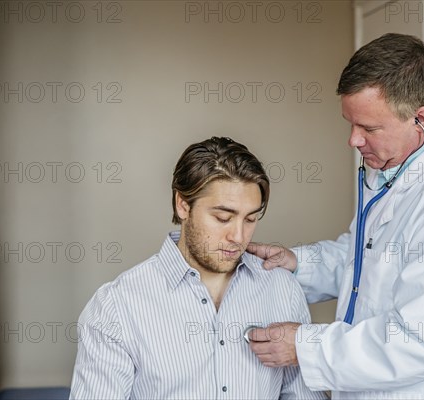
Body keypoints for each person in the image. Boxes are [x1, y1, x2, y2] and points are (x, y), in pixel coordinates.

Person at [247, 33, 424, 399]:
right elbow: (374, 256)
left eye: (369, 128)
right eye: (351, 124)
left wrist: (305, 345)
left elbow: (421, 340)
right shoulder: (397, 168)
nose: (354, 141)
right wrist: (300, 263)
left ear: (419, 119)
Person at [69, 137, 326, 399]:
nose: (238, 236)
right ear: (183, 205)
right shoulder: (116, 307)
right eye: (222, 218)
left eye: (250, 219)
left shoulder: (282, 288)